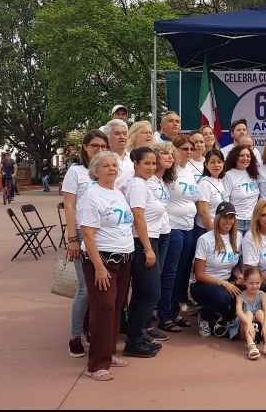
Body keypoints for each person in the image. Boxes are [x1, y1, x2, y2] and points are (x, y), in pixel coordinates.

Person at [77, 151, 135, 381]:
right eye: (106, 166)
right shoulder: (92, 196)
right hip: (102, 261)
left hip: (124, 259)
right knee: (104, 311)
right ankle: (96, 365)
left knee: (116, 308)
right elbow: (88, 235)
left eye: (114, 165)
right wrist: (99, 267)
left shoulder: (117, 194)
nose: (112, 169)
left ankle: (108, 353)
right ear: (96, 171)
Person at [62, 130, 108, 358]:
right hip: (82, 234)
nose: (98, 150)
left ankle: (94, 329)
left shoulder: (105, 173)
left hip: (105, 236)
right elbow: (69, 206)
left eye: (102, 146)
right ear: (85, 147)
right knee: (84, 289)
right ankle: (74, 335)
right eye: (94, 146)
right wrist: (72, 238)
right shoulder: (76, 172)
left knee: (101, 287)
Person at [122, 147, 164, 358]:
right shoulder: (138, 185)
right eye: (146, 163)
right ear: (135, 164)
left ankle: (135, 334)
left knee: (141, 293)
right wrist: (148, 248)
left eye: (154, 163)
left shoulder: (141, 184)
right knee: (151, 293)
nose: (151, 167)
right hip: (141, 243)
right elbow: (138, 216)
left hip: (146, 241)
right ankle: (134, 340)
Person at [158, 135, 202, 333]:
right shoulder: (169, 172)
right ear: (174, 150)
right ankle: (164, 314)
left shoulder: (190, 171)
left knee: (183, 272)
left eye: (191, 149)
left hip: (189, 227)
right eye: (184, 148)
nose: (189, 152)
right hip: (172, 227)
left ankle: (174, 311)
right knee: (170, 273)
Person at [190, 201, 244, 338]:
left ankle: (224, 319)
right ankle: (205, 315)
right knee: (224, 298)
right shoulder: (205, 239)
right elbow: (199, 275)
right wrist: (224, 283)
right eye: (225, 217)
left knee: (251, 290)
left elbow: (235, 266)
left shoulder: (238, 237)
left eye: (231, 217)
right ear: (218, 218)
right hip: (204, 284)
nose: (228, 221)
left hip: (227, 282)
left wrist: (239, 276)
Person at [146, 142, 174, 342]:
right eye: (165, 153)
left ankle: (147, 321)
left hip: (164, 232)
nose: (170, 156)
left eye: (172, 154)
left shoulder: (162, 181)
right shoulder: (146, 181)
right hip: (151, 235)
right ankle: (145, 325)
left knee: (159, 277)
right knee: (150, 282)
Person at [235, 267, 266, 360]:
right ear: (245, 282)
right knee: (248, 313)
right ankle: (251, 345)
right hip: (245, 328)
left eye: (257, 283)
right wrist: (249, 323)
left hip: (260, 329)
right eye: (251, 283)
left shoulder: (262, 294)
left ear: (261, 282)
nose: (255, 286)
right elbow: (239, 312)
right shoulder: (240, 296)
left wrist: (265, 324)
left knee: (260, 312)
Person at [222, 144, 260, 234]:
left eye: (248, 156)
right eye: (242, 155)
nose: (245, 158)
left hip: (253, 222)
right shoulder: (228, 176)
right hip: (236, 222)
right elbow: (225, 200)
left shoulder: (253, 173)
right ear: (235, 157)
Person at [194, 149, 228, 241]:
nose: (216, 165)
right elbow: (203, 212)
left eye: (219, 162)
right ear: (206, 164)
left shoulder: (220, 181)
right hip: (206, 230)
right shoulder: (204, 183)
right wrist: (212, 234)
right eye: (212, 162)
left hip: (219, 229)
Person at [105, 119, 132, 193]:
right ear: (107, 138)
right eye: (117, 134)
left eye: (125, 133)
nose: (122, 137)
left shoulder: (135, 158)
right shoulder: (102, 160)